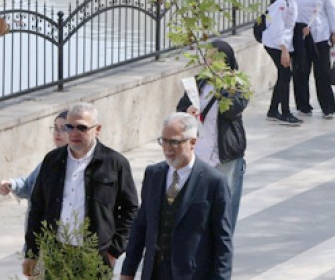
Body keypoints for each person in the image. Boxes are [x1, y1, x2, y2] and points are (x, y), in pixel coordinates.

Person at [23, 102, 139, 276]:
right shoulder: (52, 160)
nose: (74, 133)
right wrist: (31, 252)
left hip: (95, 256)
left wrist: (113, 251)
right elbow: (37, 206)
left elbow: (130, 209)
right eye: (69, 127)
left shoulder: (114, 163)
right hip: (55, 253)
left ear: (97, 129)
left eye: (82, 128)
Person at [120, 113, 232, 280]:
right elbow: (141, 226)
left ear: (193, 142)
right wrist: (127, 272)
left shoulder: (214, 182)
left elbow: (222, 240)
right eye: (163, 141)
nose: (167, 148)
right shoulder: (153, 174)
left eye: (174, 142)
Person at [177, 39, 248, 232]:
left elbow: (231, 110)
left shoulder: (238, 84)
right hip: (198, 153)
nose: (207, 61)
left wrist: (222, 83)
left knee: (223, 209)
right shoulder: (199, 82)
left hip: (224, 156)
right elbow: (180, 109)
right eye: (207, 57)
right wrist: (187, 112)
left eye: (213, 58)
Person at [293, 0, 335, 119]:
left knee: (322, 73)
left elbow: (330, 8)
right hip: (302, 36)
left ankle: (328, 108)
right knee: (301, 71)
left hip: (321, 34)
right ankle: (303, 106)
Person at [261, 0, 304, 126]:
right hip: (276, 44)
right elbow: (275, 28)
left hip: (284, 43)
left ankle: (273, 111)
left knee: (284, 75)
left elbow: (289, 25)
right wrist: (284, 50)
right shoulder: (281, 3)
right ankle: (285, 113)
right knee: (285, 75)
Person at [0, 111, 69, 200]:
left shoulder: (76, 162)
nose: (58, 133)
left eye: (63, 129)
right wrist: (11, 184)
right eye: (55, 128)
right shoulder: (50, 159)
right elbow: (29, 185)